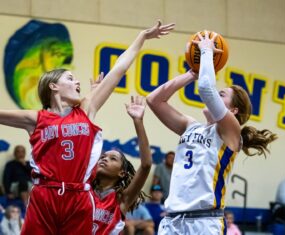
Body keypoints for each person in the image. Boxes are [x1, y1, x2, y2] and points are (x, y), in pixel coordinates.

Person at [0, 20, 175, 235]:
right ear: (53, 86)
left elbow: (118, 70)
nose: (77, 83)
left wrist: (142, 37)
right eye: (70, 78)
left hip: (79, 197)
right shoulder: (36, 118)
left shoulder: (86, 109)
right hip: (44, 195)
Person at [146, 31, 277, 234]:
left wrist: (207, 52)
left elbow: (206, 88)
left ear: (233, 111)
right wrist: (191, 74)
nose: (215, 95)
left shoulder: (230, 131)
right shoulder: (190, 125)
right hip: (172, 221)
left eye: (221, 94)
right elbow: (154, 100)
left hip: (204, 221)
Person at [92, 95, 152, 234]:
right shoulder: (85, 190)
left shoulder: (122, 199)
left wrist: (138, 121)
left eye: (113, 158)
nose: (104, 159)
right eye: (103, 157)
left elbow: (146, 165)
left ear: (122, 173)